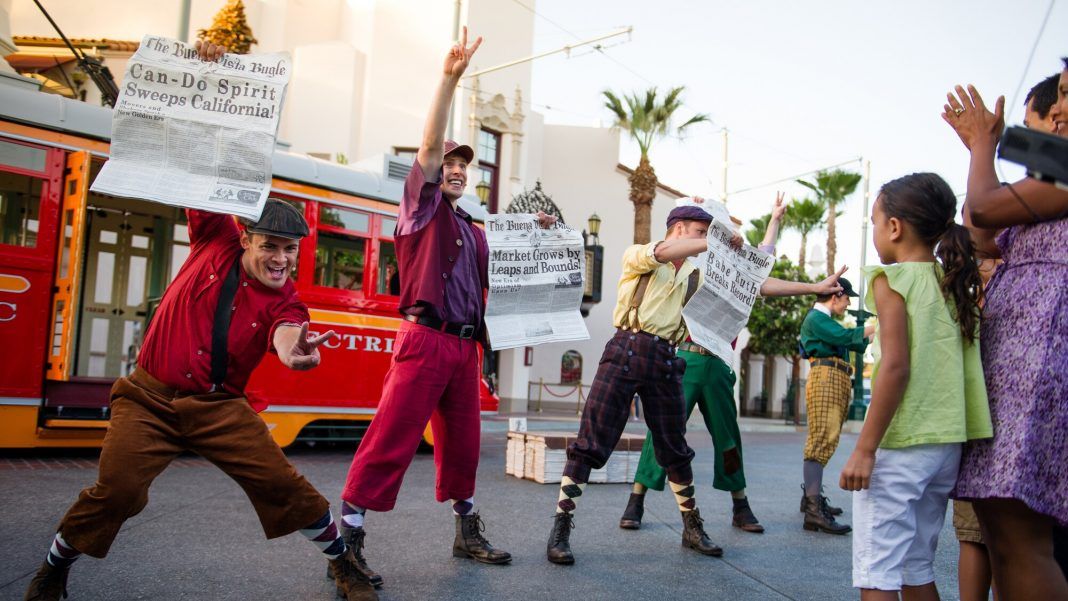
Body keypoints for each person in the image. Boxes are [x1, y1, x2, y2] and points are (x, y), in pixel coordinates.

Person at [339, 28, 555, 581]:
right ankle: (350, 535)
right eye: (450, 164)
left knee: (463, 447)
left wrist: (537, 232)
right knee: (392, 438)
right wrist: (448, 80)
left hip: (464, 350)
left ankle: (465, 530)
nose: (456, 168)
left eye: (465, 165)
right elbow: (430, 149)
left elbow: (503, 267)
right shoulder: (420, 208)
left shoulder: (473, 229)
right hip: (424, 340)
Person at [546, 199, 848, 565]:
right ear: (678, 228)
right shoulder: (641, 254)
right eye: (701, 232)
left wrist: (813, 286)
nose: (705, 239)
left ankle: (691, 527)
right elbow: (663, 252)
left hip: (667, 358)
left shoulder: (695, 275)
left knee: (675, 450)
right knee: (590, 442)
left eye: (707, 234)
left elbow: (755, 286)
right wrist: (714, 242)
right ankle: (561, 526)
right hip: (626, 348)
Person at [943, 62, 1068, 600]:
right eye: (1059, 94)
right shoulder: (1053, 175)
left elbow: (986, 209)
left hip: (1043, 350)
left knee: (1020, 535)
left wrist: (981, 146)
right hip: (1020, 349)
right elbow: (984, 234)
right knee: (1000, 525)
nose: (1060, 108)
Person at [838, 172, 992, 600]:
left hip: (903, 442)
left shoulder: (892, 280)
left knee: (878, 569)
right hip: (947, 445)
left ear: (894, 227)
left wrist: (865, 448)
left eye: (874, 219)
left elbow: (895, 368)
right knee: (916, 564)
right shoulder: (953, 282)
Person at [619, 192, 789, 535]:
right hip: (685, 355)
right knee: (663, 433)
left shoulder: (731, 263)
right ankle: (635, 501)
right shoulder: (691, 261)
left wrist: (773, 222)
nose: (717, 233)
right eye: (710, 228)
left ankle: (740, 505)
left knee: (728, 437)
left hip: (719, 362)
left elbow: (760, 269)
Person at [798, 276, 875, 534]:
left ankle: (813, 499)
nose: (847, 303)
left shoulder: (822, 320)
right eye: (846, 298)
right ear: (835, 296)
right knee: (822, 438)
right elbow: (844, 337)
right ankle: (812, 508)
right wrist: (871, 328)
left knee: (825, 438)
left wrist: (863, 337)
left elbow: (851, 342)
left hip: (833, 376)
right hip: (826, 376)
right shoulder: (816, 318)